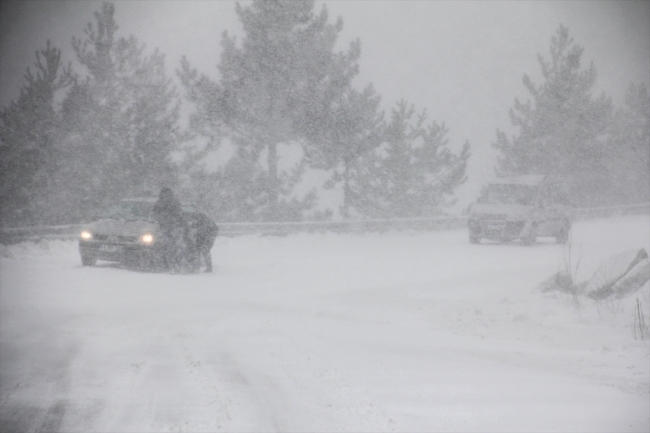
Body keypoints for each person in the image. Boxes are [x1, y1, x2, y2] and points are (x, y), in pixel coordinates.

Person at [152, 187, 187, 272]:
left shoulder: (169, 202)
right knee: (171, 247)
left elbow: (178, 214)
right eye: (164, 194)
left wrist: (166, 218)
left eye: (167, 194)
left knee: (175, 247)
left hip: (174, 227)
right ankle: (174, 265)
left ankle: (177, 265)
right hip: (167, 227)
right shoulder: (162, 202)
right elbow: (155, 213)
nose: (165, 195)